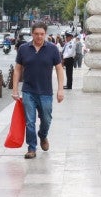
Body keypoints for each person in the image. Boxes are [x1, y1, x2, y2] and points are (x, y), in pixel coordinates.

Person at [11, 23, 64, 159]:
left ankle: (43, 135)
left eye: (42, 34)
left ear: (45, 34)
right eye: (36, 34)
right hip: (28, 91)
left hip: (46, 92)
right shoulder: (24, 49)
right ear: (32, 34)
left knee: (46, 119)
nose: (39, 36)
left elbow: (59, 69)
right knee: (30, 121)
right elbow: (17, 69)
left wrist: (60, 89)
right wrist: (15, 89)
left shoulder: (52, 49)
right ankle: (31, 148)